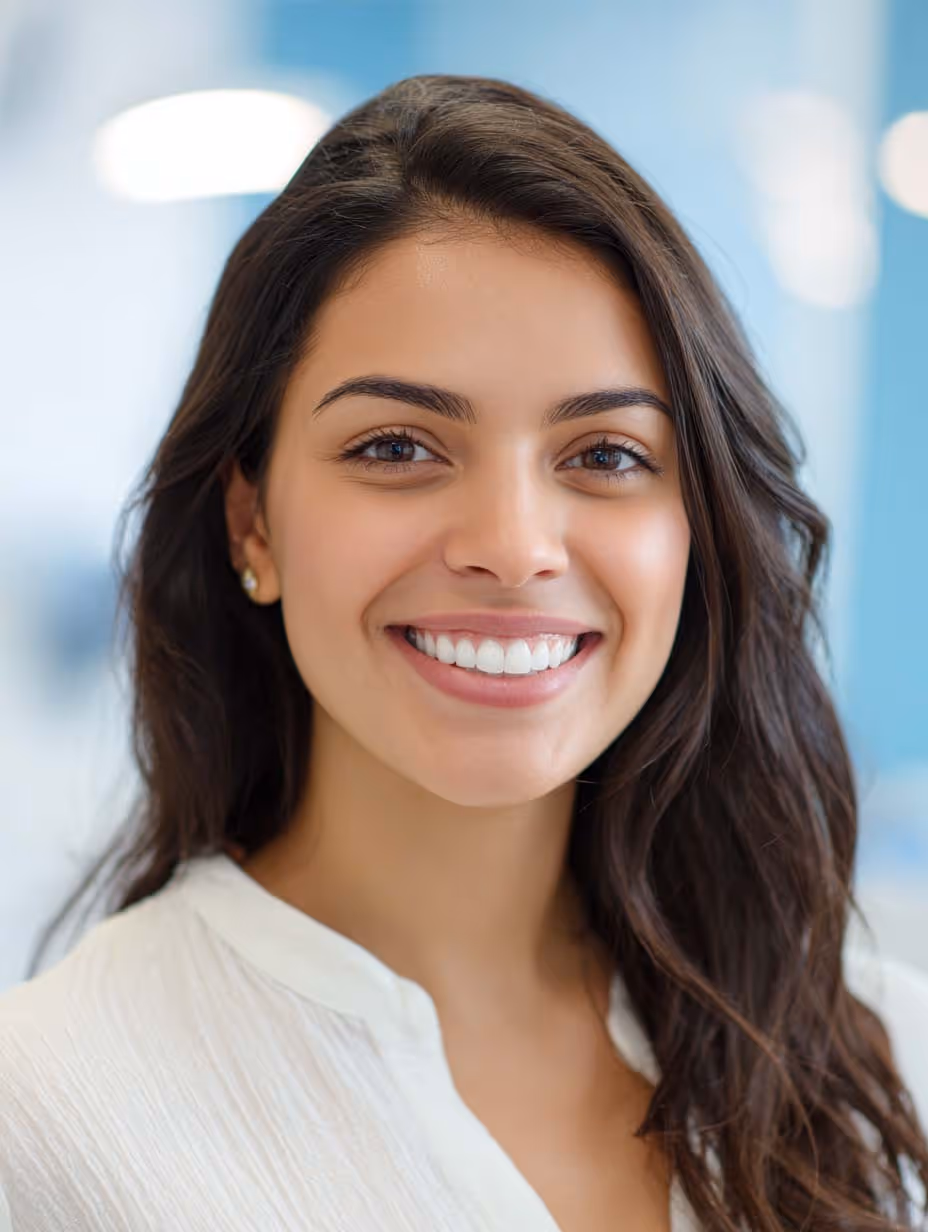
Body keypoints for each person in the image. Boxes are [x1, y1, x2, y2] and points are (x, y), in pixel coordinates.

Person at [1, 73, 926, 1232]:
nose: (511, 546)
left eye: (606, 454)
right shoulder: (45, 1125)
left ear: (696, 529)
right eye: (396, 444)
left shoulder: (882, 1069)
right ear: (253, 523)